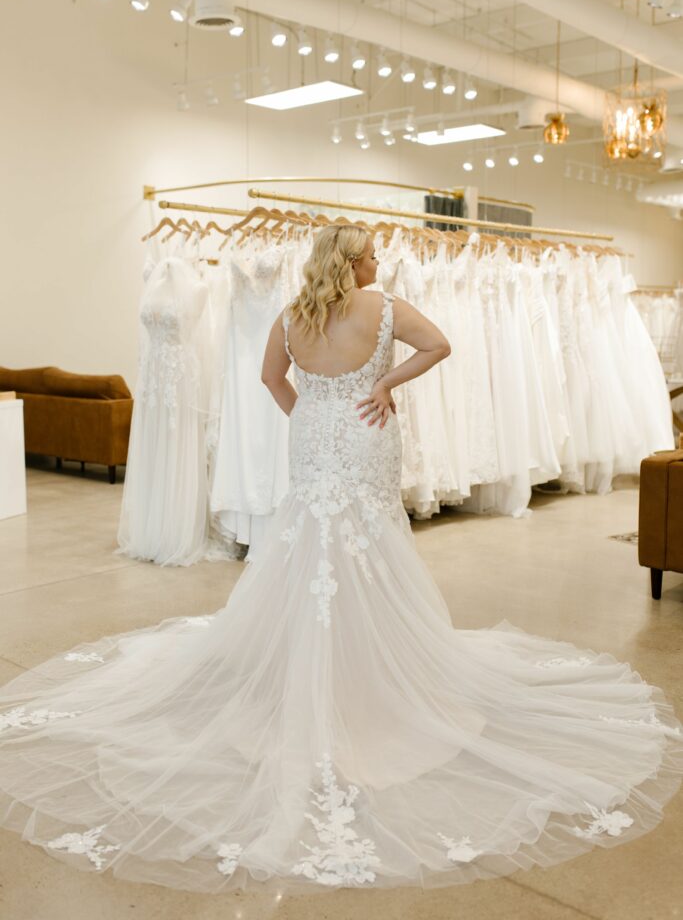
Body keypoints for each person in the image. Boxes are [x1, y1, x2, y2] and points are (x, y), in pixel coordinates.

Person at [0, 224, 681, 897]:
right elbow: (439, 345)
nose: (380, 260)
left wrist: (309, 410)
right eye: (373, 254)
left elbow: (271, 377)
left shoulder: (291, 313)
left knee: (309, 539)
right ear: (352, 263)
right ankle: (371, 673)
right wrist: (386, 384)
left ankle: (308, 667)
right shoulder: (383, 309)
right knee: (368, 540)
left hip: (316, 429)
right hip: (364, 427)